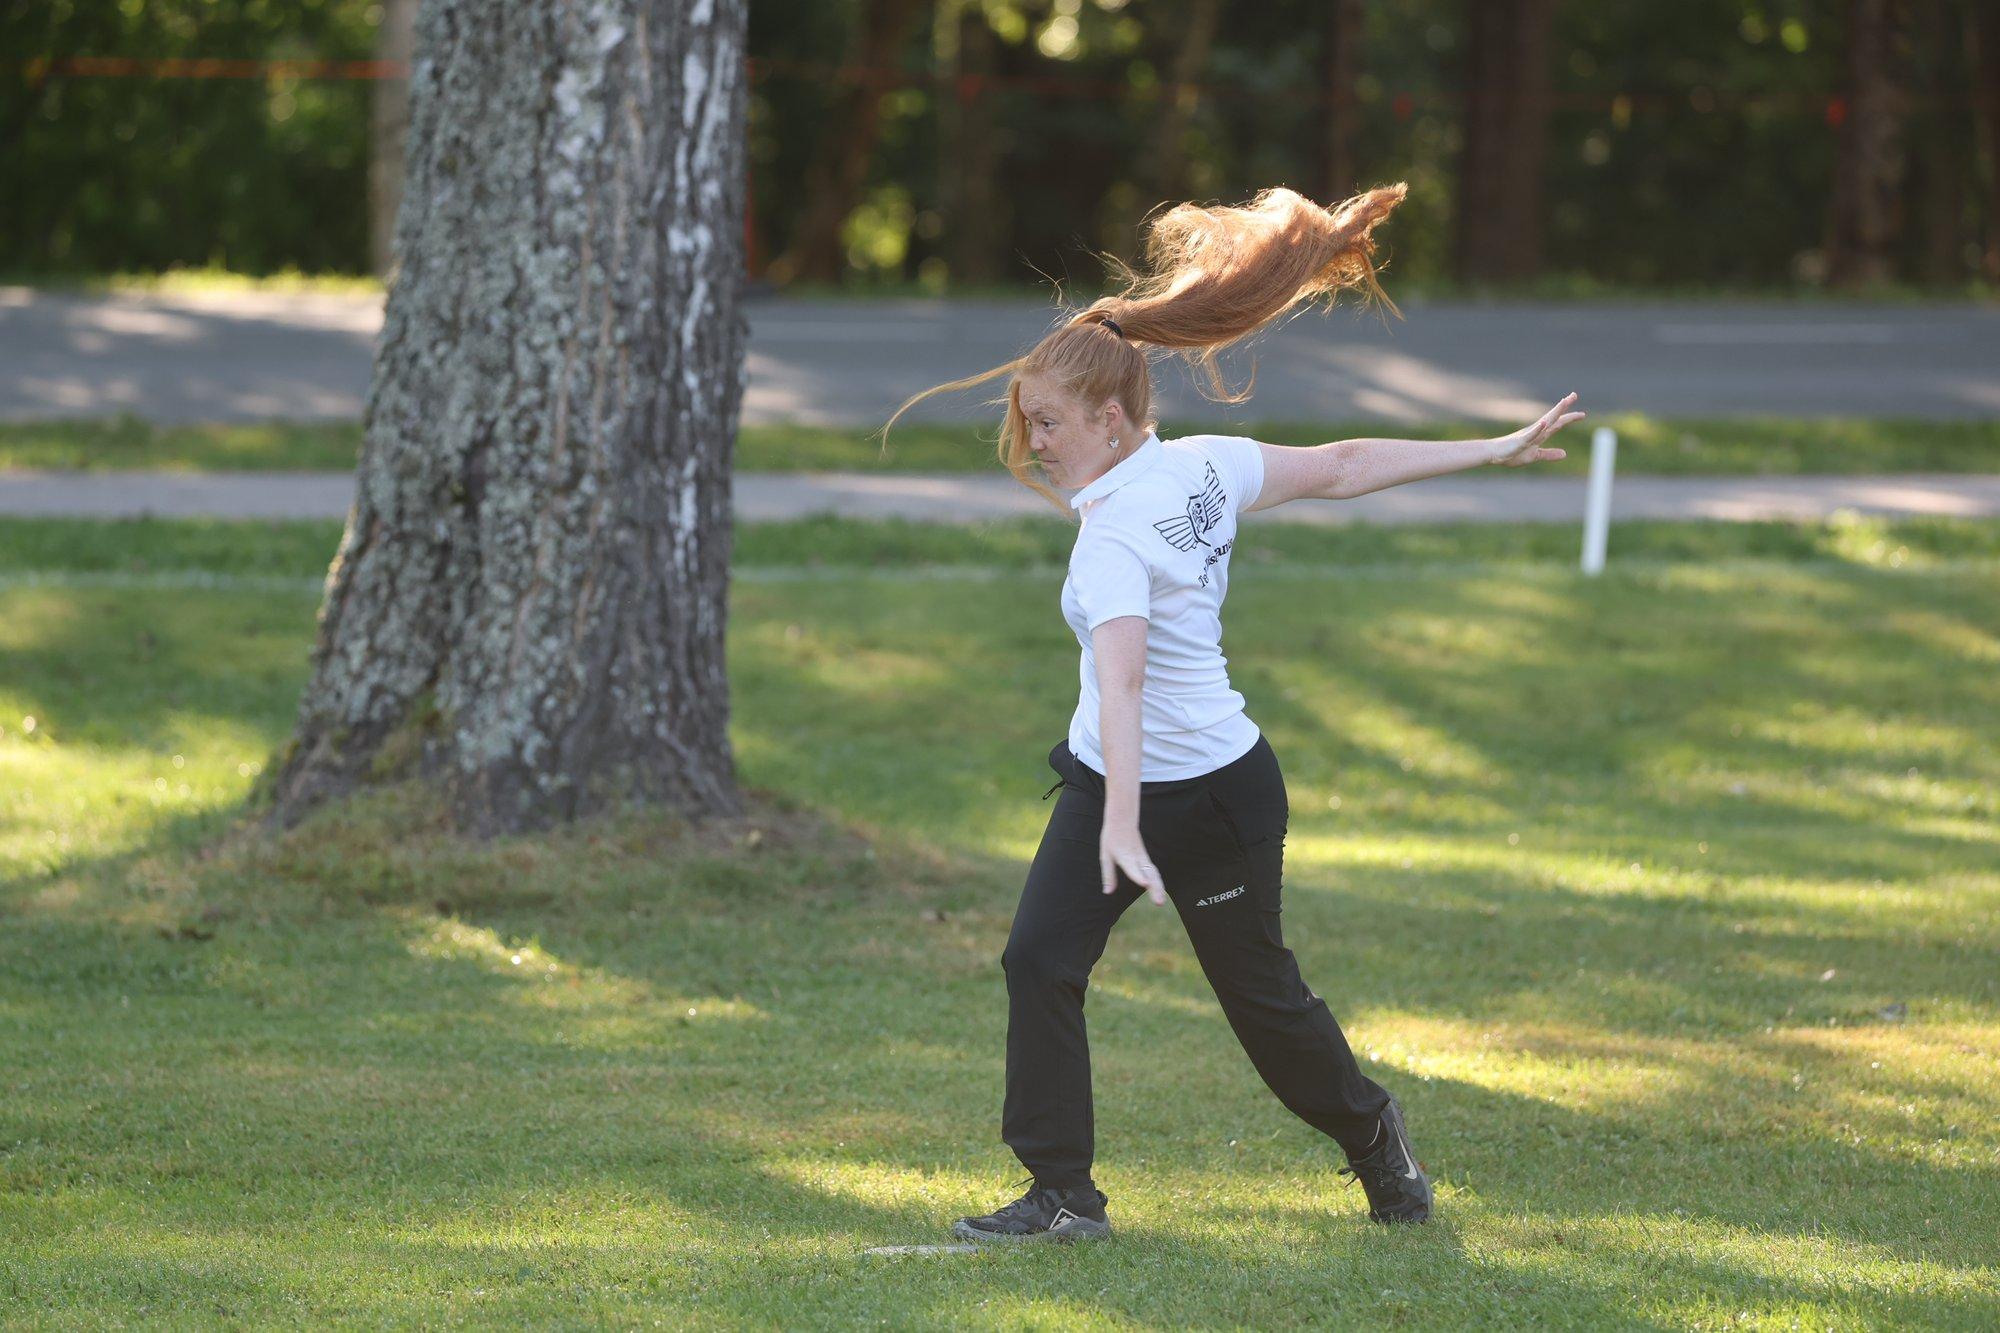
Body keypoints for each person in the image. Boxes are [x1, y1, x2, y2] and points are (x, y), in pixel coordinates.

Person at [880, 184, 1585, 1244]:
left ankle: (1371, 1132)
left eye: (1054, 425)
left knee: (1260, 1004)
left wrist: (1487, 451)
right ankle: (1062, 1193)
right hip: (1109, 779)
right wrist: (1482, 449)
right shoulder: (1195, 464)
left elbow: (1128, 677)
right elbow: (1338, 468)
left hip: (1206, 796)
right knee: (1038, 958)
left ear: (1114, 420)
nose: (1037, 444)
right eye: (1029, 423)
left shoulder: (1123, 524)